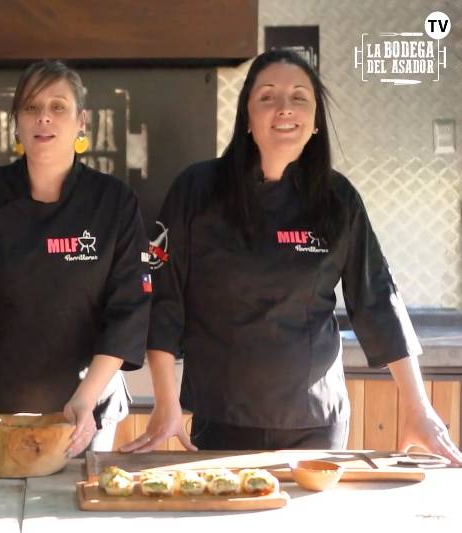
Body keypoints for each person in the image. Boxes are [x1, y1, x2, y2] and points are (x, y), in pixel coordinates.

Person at [124, 50, 462, 464]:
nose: (285, 107)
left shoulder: (339, 201)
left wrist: (418, 408)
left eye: (300, 97)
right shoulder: (196, 190)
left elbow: (377, 301)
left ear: (316, 121)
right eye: (267, 96)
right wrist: (164, 400)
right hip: (222, 417)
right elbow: (165, 299)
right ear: (246, 117)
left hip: (315, 420)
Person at [0, 60, 151, 457]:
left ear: (82, 120)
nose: (44, 118)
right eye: (31, 107)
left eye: (58, 107)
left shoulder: (114, 202)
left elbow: (129, 310)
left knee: (72, 515)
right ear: (15, 121)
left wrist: (86, 400)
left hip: (85, 407)